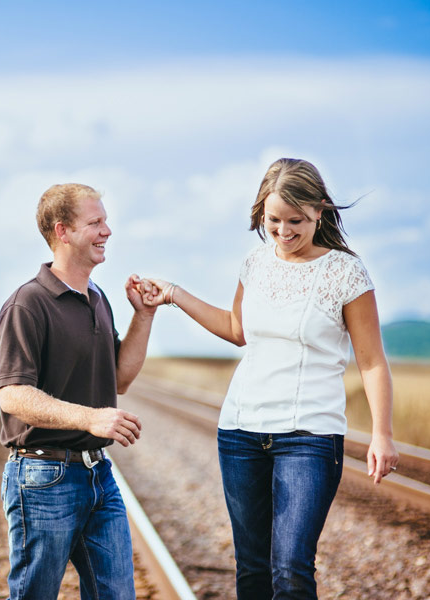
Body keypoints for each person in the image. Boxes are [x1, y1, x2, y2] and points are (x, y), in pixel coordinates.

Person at [140, 158, 399, 600]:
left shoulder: (345, 273)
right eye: (273, 220)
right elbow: (237, 330)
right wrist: (174, 295)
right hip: (241, 432)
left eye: (295, 220)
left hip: (310, 436)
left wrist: (382, 434)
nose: (283, 231)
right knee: (253, 569)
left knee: (292, 568)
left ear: (320, 210)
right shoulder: (254, 263)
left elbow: (372, 360)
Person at [0, 182, 157, 600]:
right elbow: (12, 394)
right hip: (43, 477)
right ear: (62, 231)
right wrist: (90, 417)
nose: (107, 231)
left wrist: (143, 317)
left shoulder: (98, 298)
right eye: (95, 222)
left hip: (97, 474)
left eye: (106, 221)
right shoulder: (27, 304)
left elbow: (118, 379)